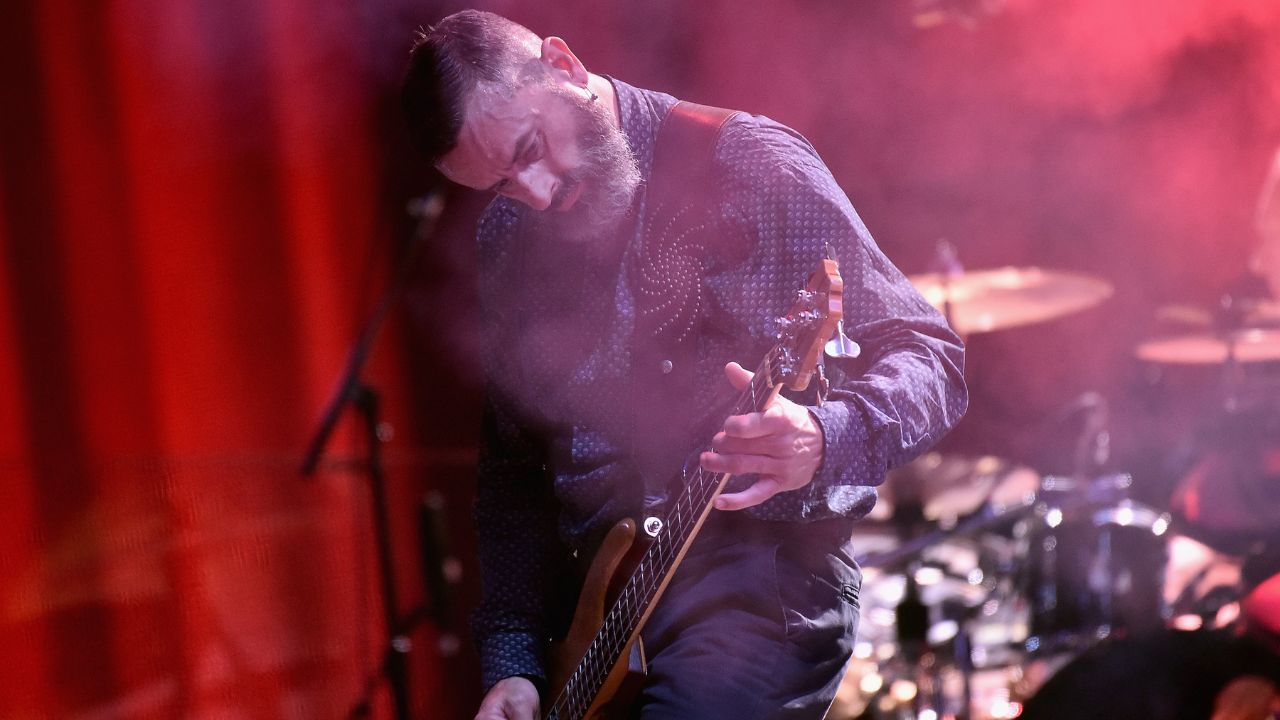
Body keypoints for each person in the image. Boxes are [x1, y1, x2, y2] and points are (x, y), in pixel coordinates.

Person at [401, 10, 967, 719]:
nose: (538, 192)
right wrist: (514, 660)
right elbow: (513, 471)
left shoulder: (748, 163)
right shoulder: (509, 240)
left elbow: (930, 355)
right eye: (503, 184)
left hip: (757, 583)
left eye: (531, 147)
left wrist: (826, 435)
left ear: (564, 65)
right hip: (599, 623)